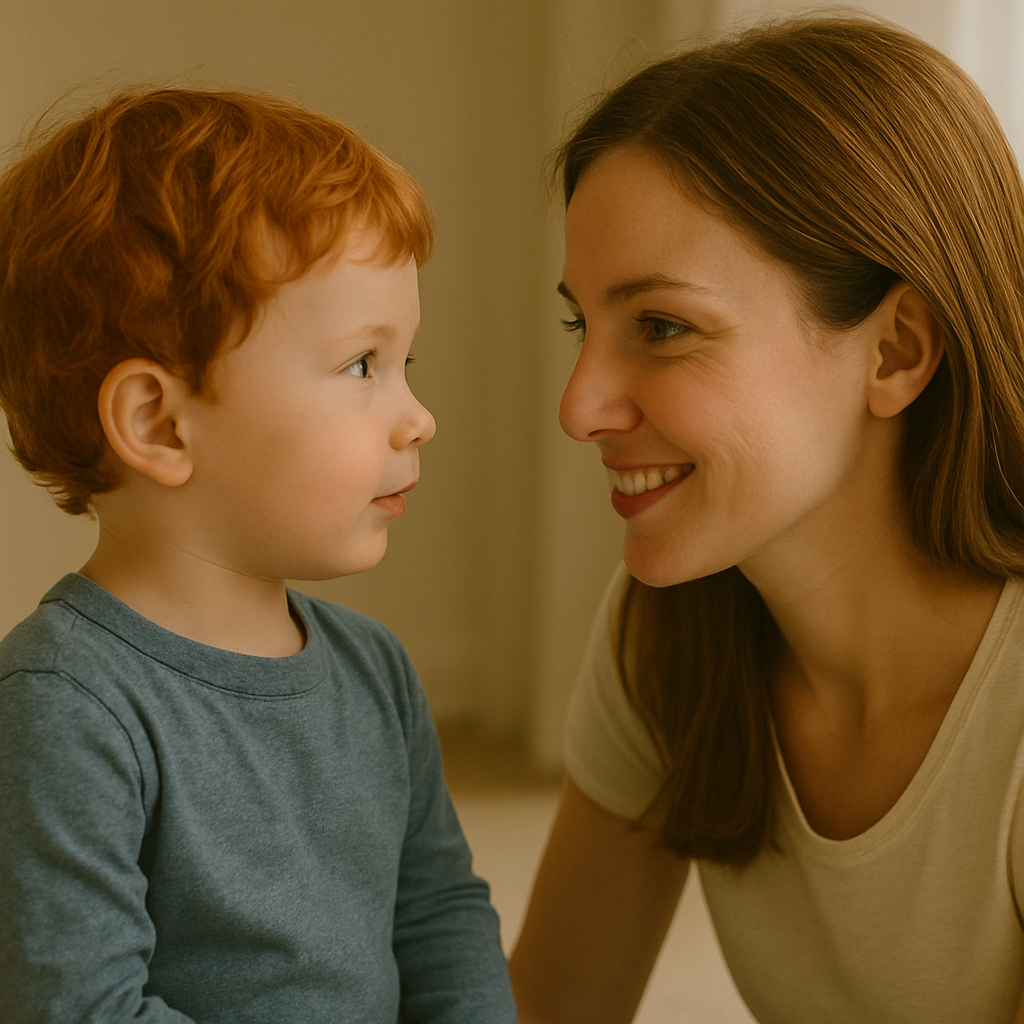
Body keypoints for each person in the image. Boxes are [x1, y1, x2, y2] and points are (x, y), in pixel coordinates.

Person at [509, 15, 1024, 1024]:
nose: (578, 407)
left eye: (661, 326)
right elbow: (553, 1006)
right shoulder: (671, 627)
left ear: (894, 351)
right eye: (584, 324)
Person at [0, 88, 519, 1024]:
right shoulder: (62, 707)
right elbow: (80, 1005)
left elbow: (438, 915)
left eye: (410, 363)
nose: (419, 417)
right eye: (364, 364)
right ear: (159, 422)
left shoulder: (376, 672)